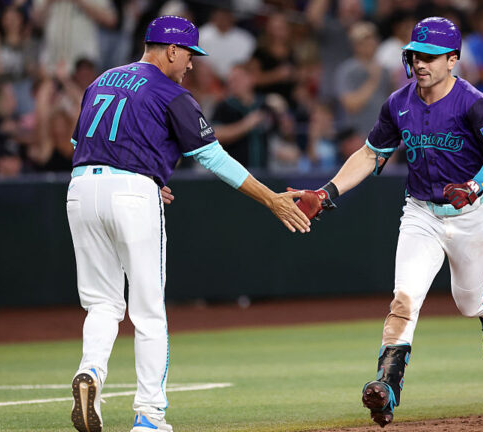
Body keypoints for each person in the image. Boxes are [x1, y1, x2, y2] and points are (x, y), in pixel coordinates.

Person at [66, 16, 310, 432]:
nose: (192, 64)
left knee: (103, 304)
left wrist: (141, 173)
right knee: (149, 313)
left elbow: (81, 144)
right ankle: (149, 416)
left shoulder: (104, 79)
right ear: (172, 50)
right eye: (190, 55)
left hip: (80, 190)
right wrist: (270, 198)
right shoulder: (170, 92)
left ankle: (90, 372)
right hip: (131, 196)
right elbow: (213, 157)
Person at [290, 17, 483, 427]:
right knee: (403, 300)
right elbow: (371, 153)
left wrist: (476, 185)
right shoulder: (398, 102)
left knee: (467, 303)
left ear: (452, 60)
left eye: (430, 56)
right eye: (416, 54)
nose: (421, 62)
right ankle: (387, 385)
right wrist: (326, 192)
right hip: (420, 213)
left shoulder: (473, 102)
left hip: (468, 214)